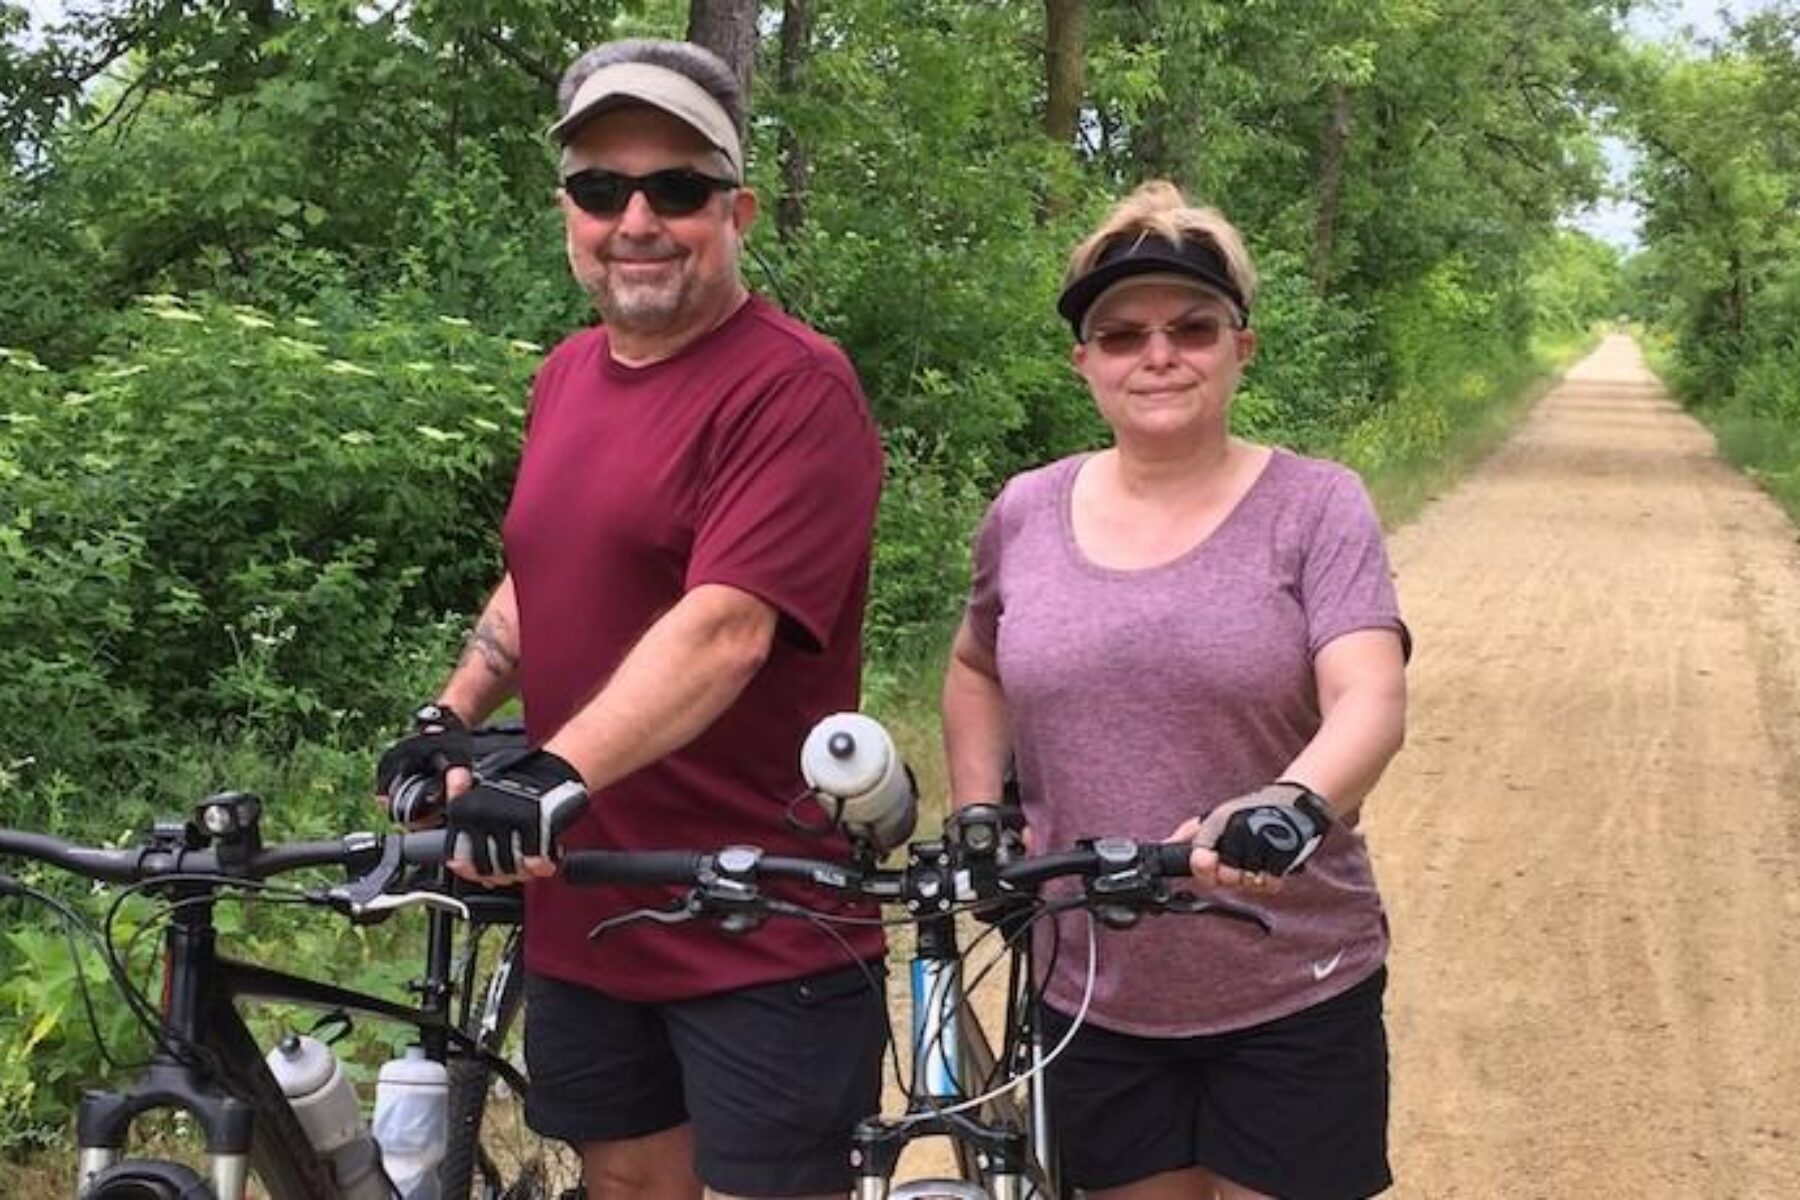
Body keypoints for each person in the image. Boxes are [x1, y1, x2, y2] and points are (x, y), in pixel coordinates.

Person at [374, 39, 887, 1200]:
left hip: (755, 912)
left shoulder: (793, 387)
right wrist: (450, 712)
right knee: (628, 1188)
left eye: (678, 188)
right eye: (603, 190)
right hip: (588, 906)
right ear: (569, 212)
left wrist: (551, 773)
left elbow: (726, 626)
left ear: (738, 207)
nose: (637, 219)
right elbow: (543, 573)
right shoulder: (565, 375)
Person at [940, 181, 1410, 1200]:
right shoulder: (1025, 512)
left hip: (1292, 978)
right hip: (1093, 989)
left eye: (1193, 327)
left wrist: (1291, 803)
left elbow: (1369, 695)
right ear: (1084, 361)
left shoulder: (1316, 507)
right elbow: (977, 663)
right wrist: (979, 810)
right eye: (1122, 335)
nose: (1158, 355)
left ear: (1242, 345)